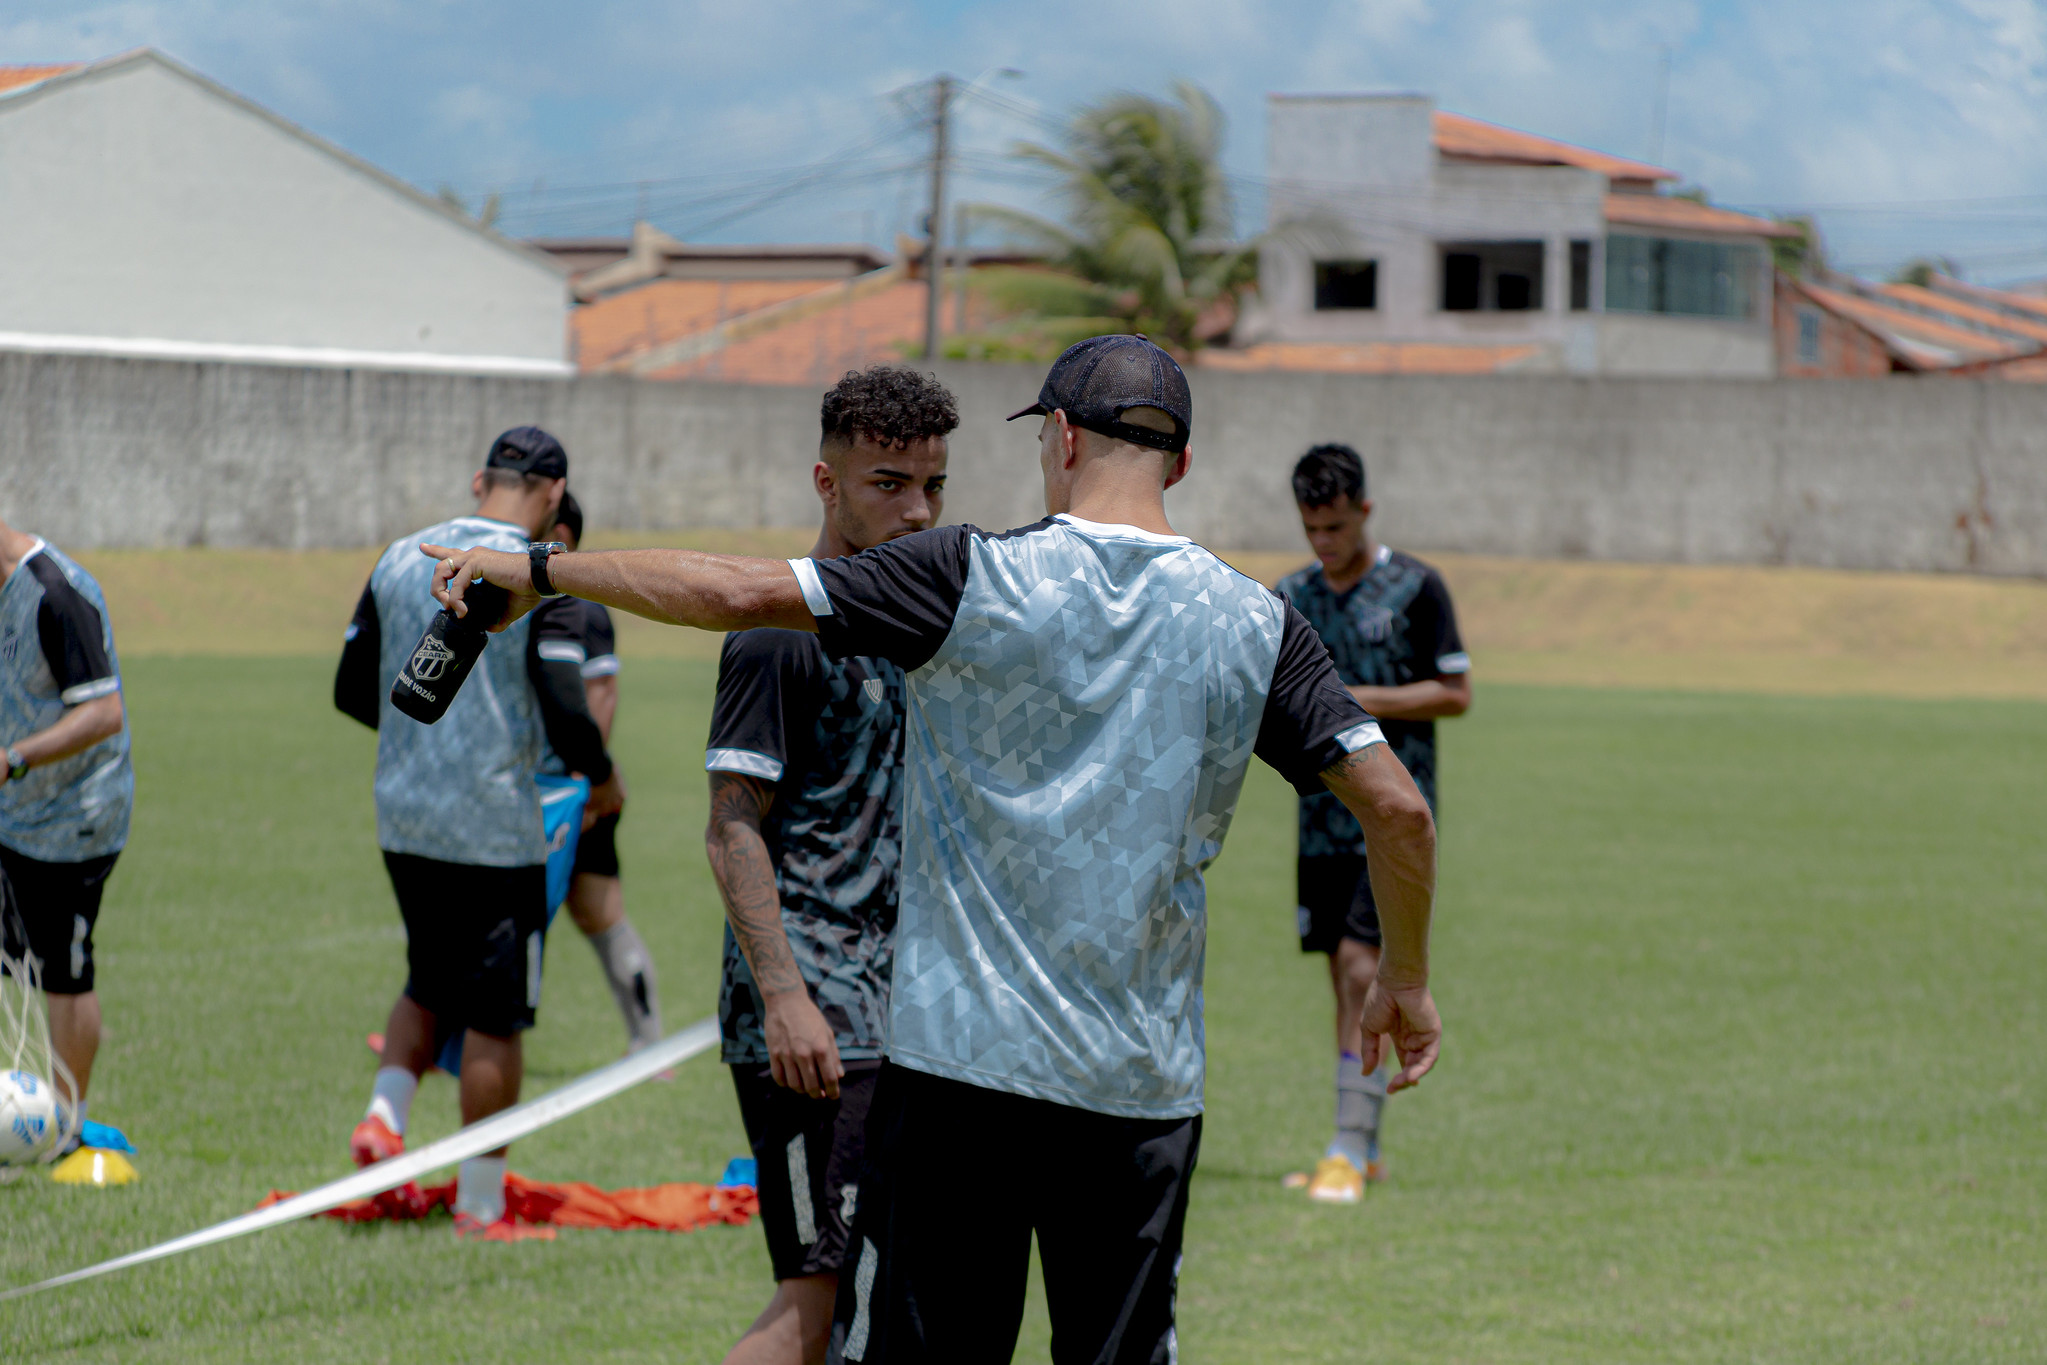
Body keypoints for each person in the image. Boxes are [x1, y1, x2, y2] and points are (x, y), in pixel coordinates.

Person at [423, 335, 1443, 1361]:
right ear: (1179, 463)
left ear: (1061, 438)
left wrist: (539, 568)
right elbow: (1399, 812)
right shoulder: (1260, 621)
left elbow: (731, 592)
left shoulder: (969, 574)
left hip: (960, 1074)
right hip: (1139, 1089)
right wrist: (1401, 976)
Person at [704, 367, 956, 1365]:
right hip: (811, 1018)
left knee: (873, 1299)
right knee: (813, 1300)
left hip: (896, 1014)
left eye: (932, 485)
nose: (918, 510)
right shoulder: (777, 634)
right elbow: (731, 826)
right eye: (888, 484)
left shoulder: (920, 631)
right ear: (827, 482)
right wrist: (783, 998)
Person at [333, 426, 624, 1240]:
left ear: (478, 480)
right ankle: (482, 1205)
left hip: (404, 813)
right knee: (498, 1015)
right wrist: (601, 775)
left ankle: (385, 1116)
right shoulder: (536, 568)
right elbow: (564, 697)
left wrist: (422, 744)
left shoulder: (400, 554)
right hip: (496, 824)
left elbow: (353, 688)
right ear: (556, 493)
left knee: (427, 979)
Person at [1278, 443, 1470, 1205]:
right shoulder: (1290, 594)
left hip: (1390, 819)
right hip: (1320, 817)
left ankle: (1346, 1147)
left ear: (1364, 510)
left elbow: (1455, 692)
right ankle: (1366, 1142)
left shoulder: (1415, 586)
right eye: (1310, 528)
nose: (1322, 541)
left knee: (1364, 966)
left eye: (1335, 526)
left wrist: (1356, 702)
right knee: (1343, 973)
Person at [0, 518, 133, 1155]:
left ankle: (67, 1130)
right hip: (12, 812)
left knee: (64, 973)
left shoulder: (57, 593)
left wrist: (13, 758)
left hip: (73, 819)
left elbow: (104, 712)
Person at [533, 491, 663, 1054]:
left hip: (570, 792)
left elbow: (600, 695)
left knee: (601, 916)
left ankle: (650, 1046)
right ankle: (445, 1043)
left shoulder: (580, 605)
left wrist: (586, 783)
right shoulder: (535, 597)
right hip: (552, 788)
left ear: (558, 532)